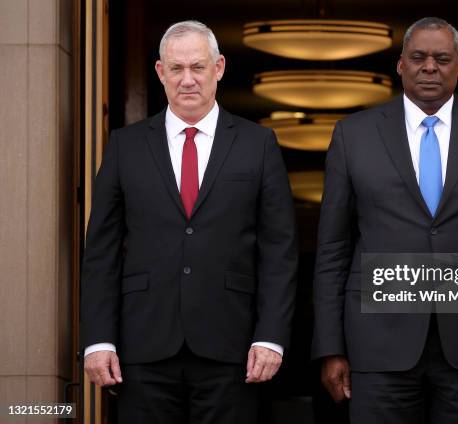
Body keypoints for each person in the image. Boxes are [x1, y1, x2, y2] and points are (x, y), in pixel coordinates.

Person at [312, 17, 458, 424]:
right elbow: (334, 248)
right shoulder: (354, 134)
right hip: (378, 345)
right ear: (400, 64)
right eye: (418, 57)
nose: (429, 66)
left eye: (442, 58)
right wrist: (331, 347)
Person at [81, 20, 298, 423]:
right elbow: (101, 252)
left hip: (233, 347)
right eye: (176, 69)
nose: (187, 80)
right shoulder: (123, 147)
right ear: (160, 72)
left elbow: (279, 251)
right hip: (142, 346)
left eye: (197, 67)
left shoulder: (258, 144)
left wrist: (271, 337)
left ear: (218, 68)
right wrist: (98, 341)